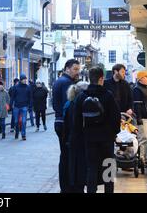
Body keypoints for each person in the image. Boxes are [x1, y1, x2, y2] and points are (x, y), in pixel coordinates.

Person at [72, 67, 120, 193]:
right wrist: (114, 133)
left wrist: (79, 136)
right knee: (108, 168)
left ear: (89, 78)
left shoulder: (82, 96)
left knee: (91, 168)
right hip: (106, 139)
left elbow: (76, 121)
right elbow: (116, 117)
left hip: (89, 138)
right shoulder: (108, 95)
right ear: (101, 78)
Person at [52, 59, 81, 193]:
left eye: (78, 69)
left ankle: (66, 186)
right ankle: (68, 187)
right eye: (75, 69)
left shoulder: (59, 81)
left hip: (59, 122)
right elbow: (68, 106)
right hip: (65, 124)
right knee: (68, 156)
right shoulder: (66, 83)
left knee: (65, 155)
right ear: (67, 69)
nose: (77, 72)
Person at [63, 81, 89, 193]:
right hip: (79, 139)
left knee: (74, 164)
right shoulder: (79, 105)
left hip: (72, 139)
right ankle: (79, 187)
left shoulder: (69, 103)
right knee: (80, 165)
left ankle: (75, 186)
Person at [12, 73, 32, 141]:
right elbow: (13, 97)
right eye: (23, 79)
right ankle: (17, 132)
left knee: (23, 121)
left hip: (24, 106)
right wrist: (10, 105)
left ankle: (23, 134)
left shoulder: (28, 87)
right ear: (20, 80)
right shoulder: (16, 87)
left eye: (25, 79)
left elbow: (30, 97)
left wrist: (30, 106)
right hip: (16, 106)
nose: (25, 80)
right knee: (16, 121)